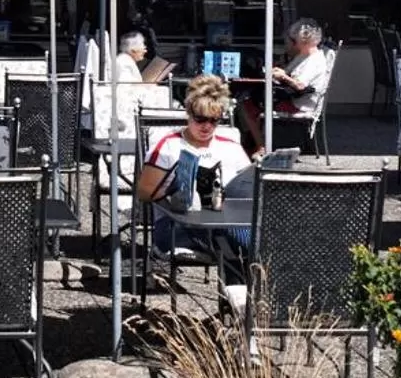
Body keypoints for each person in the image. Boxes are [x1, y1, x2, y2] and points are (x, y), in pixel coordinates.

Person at [135, 73, 251, 262]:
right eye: (200, 119)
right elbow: (144, 192)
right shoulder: (168, 146)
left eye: (214, 120)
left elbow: (248, 188)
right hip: (177, 224)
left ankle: (237, 284)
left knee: (250, 236)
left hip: (222, 221)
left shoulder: (232, 147)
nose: (207, 126)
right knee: (240, 244)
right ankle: (239, 285)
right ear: (188, 113)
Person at [240, 18, 331, 153]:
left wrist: (283, 76)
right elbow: (288, 72)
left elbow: (300, 85)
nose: (292, 44)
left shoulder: (314, 60)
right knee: (251, 101)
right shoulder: (304, 55)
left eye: (294, 41)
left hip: (300, 104)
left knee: (248, 106)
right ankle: (257, 141)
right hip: (294, 98)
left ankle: (261, 145)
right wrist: (281, 70)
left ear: (303, 41)